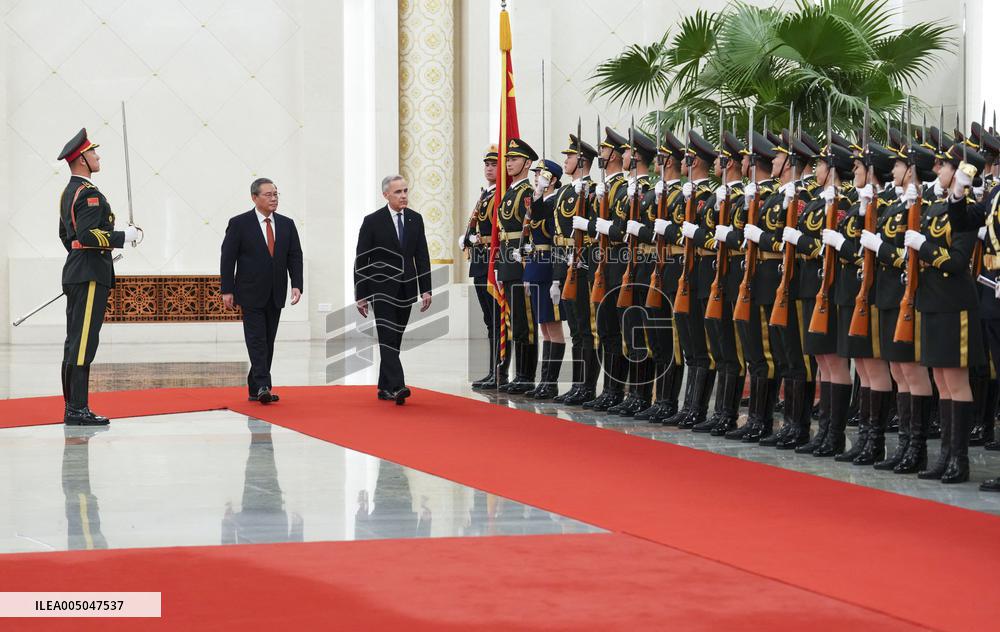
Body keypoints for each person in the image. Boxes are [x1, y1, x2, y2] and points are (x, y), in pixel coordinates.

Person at [57, 128, 142, 426]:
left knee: (75, 341)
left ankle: (73, 407)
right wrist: (124, 237)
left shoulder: (69, 192)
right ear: (81, 159)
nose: (97, 155)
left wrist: (82, 251)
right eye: (93, 152)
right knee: (83, 343)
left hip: (79, 269)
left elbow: (66, 237)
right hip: (91, 273)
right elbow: (87, 235)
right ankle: (77, 409)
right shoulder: (89, 193)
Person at [221, 178, 303, 405]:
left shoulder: (287, 224)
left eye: (276, 194)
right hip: (249, 292)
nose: (274, 198)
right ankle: (264, 386)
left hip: (276, 292)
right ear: (254, 198)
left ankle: (255, 385)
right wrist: (226, 289)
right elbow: (228, 258)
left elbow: (294, 256)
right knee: (256, 340)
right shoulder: (239, 223)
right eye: (268, 194)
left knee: (268, 340)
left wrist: (297, 284)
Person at [354, 175, 432, 405]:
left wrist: (425, 289)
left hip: (407, 287)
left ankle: (384, 386)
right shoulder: (372, 221)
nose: (404, 196)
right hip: (380, 289)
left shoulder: (415, 219)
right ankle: (398, 386)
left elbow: (422, 256)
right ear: (386, 194)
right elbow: (361, 259)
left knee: (395, 339)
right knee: (387, 338)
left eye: (405, 191)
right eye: (398, 192)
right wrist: (361, 295)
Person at [495, 138, 540, 394]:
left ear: (527, 163)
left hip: (522, 260)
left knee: (526, 322)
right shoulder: (511, 191)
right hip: (509, 260)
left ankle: (526, 375)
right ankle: (519, 374)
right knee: (515, 321)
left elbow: (530, 226)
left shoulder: (526, 193)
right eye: (508, 159)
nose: (509, 163)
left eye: (514, 159)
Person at [459, 146, 502, 389]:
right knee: (488, 319)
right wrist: (468, 237)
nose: (488, 167)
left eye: (494, 164)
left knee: (496, 319)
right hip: (479, 261)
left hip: (491, 261)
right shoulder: (485, 194)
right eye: (486, 163)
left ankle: (499, 370)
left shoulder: (498, 195)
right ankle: (492, 370)